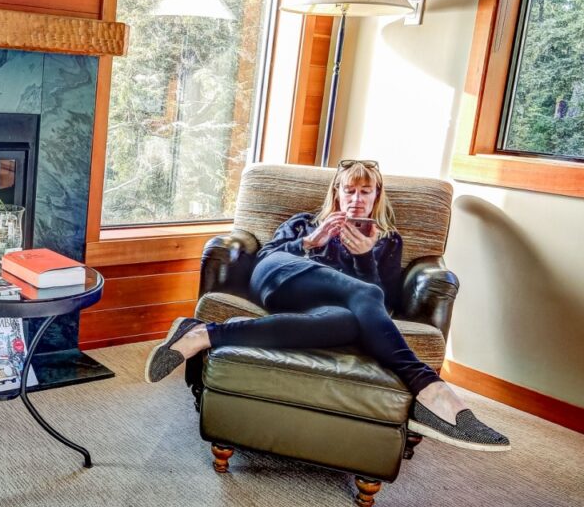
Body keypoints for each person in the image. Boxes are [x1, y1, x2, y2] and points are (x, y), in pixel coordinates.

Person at [144, 160, 510, 452]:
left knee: (348, 320)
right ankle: (430, 389)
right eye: (349, 190)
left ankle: (205, 333)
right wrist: (310, 242)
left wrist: (366, 258)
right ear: (337, 193)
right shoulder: (306, 221)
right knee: (366, 297)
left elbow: (381, 304)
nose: (356, 198)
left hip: (321, 306)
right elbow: (264, 259)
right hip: (280, 276)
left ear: (376, 196)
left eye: (365, 191)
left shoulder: (385, 241)